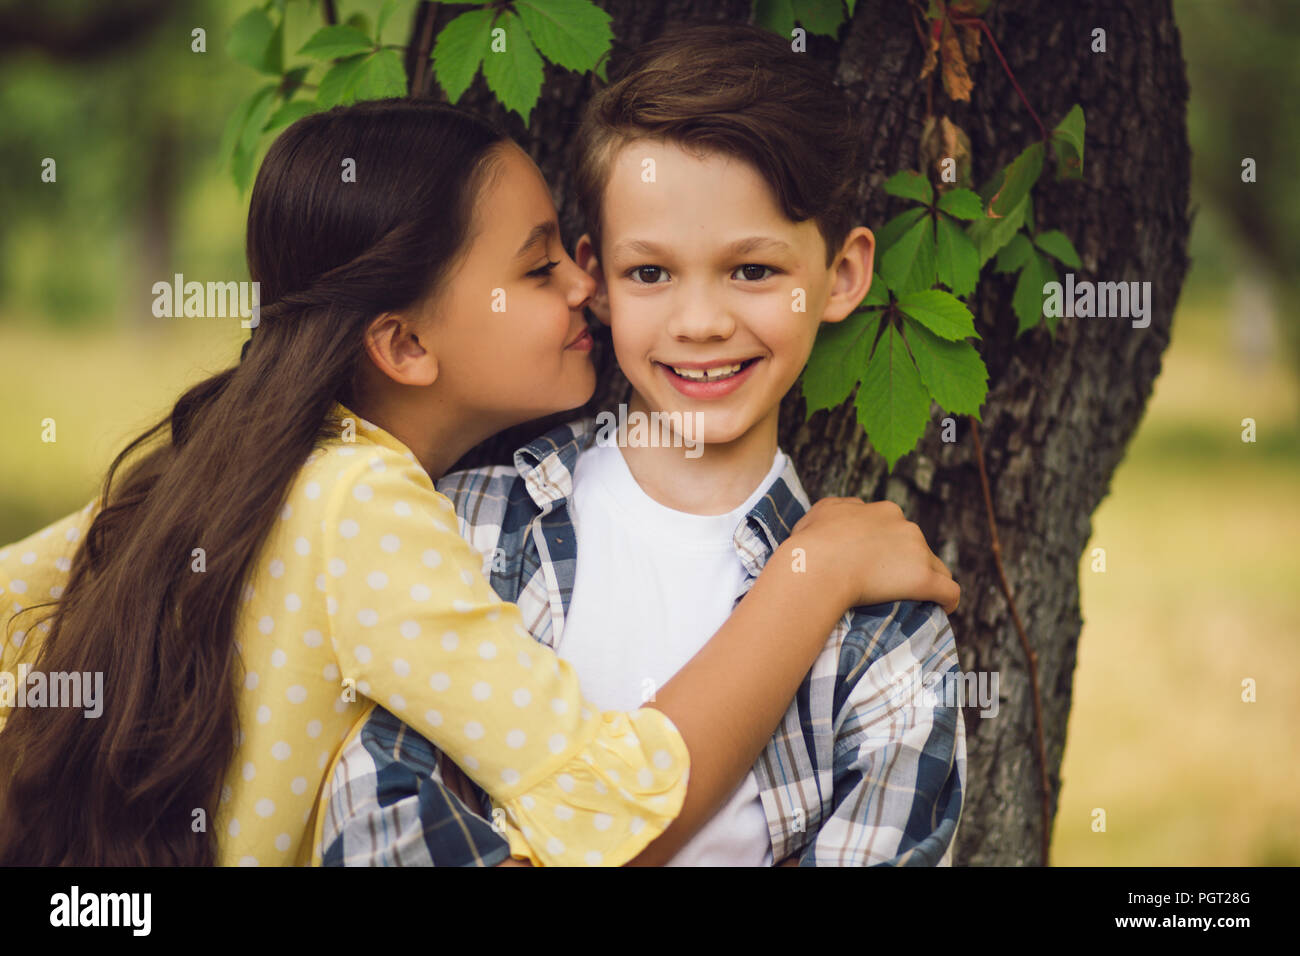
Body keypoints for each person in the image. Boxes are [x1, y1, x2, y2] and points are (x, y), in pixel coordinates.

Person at [0, 97, 957, 867]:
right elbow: (606, 801)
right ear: (406, 344)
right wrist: (814, 572)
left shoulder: (234, 468)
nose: (586, 289)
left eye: (748, 269)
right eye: (543, 269)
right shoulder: (382, 514)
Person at [322, 24, 966, 867]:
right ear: (595, 277)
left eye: (753, 271)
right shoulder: (463, 532)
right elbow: (379, 844)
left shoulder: (886, 636)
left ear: (842, 276)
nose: (700, 324)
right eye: (651, 274)